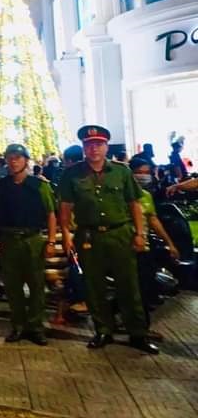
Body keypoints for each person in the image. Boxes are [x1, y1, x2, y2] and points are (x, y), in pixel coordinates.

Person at [58, 125, 158, 354]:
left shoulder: (121, 172)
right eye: (89, 145)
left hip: (120, 234)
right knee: (94, 286)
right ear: (84, 148)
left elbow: (134, 204)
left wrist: (140, 234)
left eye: (98, 144)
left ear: (105, 147)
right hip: (88, 236)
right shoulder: (72, 174)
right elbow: (65, 207)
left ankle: (138, 334)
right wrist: (66, 235)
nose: (93, 149)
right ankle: (103, 330)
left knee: (128, 285)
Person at [0, 144, 57, 345]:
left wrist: (51, 241)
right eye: (10, 157)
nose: (14, 161)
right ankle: (18, 325)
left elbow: (51, 214)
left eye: (18, 157)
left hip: (33, 240)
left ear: (26, 160)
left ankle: (35, 327)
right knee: (12, 286)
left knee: (36, 285)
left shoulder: (40, 186)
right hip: (9, 240)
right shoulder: (1, 186)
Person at [130, 157, 181, 330]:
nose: (144, 176)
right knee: (132, 287)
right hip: (125, 248)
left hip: (144, 246)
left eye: (146, 173)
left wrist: (170, 243)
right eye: (140, 173)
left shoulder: (146, 196)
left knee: (145, 285)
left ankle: (140, 327)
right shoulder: (120, 195)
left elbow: (153, 220)